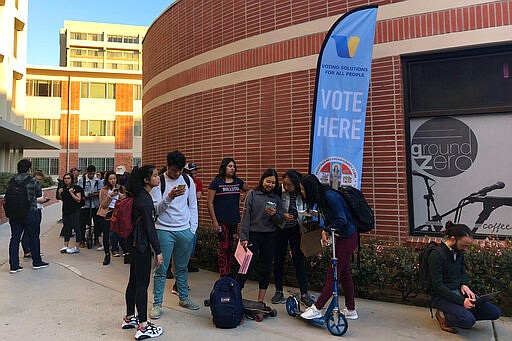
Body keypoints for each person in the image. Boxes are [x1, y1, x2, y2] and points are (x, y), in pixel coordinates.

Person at [299, 174, 359, 320]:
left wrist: (326, 230)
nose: (302, 192)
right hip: (345, 236)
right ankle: (351, 309)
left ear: (309, 188)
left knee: (333, 273)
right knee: (344, 274)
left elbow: (341, 219)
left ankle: (317, 308)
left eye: (302, 189)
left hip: (348, 237)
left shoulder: (330, 196)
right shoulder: (322, 197)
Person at [150, 151, 199, 319]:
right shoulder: (159, 182)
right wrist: (169, 198)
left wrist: (192, 230)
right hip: (163, 230)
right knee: (160, 269)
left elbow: (193, 206)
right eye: (174, 170)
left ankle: (183, 298)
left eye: (179, 170)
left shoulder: (188, 180)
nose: (177, 173)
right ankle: (157, 304)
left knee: (182, 267)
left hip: (184, 230)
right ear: (168, 166)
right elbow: (155, 209)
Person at [429, 221, 501, 333]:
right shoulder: (436, 255)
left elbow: (462, 272)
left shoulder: (458, 251)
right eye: (464, 245)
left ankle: (460, 313)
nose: (466, 249)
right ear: (453, 239)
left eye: (467, 246)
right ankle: (443, 315)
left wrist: (464, 284)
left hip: (458, 292)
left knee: (495, 313)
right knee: (468, 321)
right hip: (440, 297)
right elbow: (438, 286)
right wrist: (462, 301)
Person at [122, 165, 164, 340]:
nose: (158, 178)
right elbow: (149, 228)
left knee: (133, 281)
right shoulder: (145, 200)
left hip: (132, 244)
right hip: (141, 246)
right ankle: (144, 326)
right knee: (142, 284)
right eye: (155, 176)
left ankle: (130, 318)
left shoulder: (137, 196)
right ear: (146, 180)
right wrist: (158, 251)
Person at [239, 168, 283, 303]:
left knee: (266, 267)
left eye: (273, 183)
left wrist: (274, 214)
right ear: (262, 180)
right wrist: (244, 237)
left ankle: (260, 301)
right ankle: (236, 293)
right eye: (268, 181)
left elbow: (280, 221)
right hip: (253, 235)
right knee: (245, 265)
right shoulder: (252, 194)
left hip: (270, 236)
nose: (269, 185)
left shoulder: (276, 198)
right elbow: (246, 217)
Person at [271, 170, 314, 307]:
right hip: (281, 228)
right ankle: (278, 290)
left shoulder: (303, 191)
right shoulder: (279, 191)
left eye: (289, 185)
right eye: (284, 184)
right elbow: (271, 206)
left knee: (299, 259)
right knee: (278, 258)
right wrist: (282, 214)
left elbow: (311, 205)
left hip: (297, 228)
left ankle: (304, 293)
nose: (286, 187)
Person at [207, 157, 248, 277]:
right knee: (223, 248)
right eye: (230, 166)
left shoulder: (238, 182)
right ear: (223, 167)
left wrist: (242, 196)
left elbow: (249, 191)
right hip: (221, 222)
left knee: (231, 247)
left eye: (234, 166)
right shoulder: (216, 182)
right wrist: (214, 221)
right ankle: (223, 274)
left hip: (234, 221)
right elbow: (210, 202)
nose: (232, 168)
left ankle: (229, 271)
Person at [7, 159, 49, 273]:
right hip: (30, 213)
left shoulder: (11, 180)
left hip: (15, 214)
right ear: (29, 169)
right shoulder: (33, 181)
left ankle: (14, 265)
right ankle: (37, 262)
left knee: (15, 239)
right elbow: (39, 193)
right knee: (34, 237)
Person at [97, 171, 125, 265]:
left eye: (114, 178)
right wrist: (110, 196)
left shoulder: (120, 188)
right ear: (107, 180)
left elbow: (126, 200)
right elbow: (103, 205)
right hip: (107, 213)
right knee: (106, 234)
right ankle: (107, 254)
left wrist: (121, 196)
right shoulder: (104, 190)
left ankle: (123, 250)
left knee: (120, 232)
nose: (113, 181)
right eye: (110, 179)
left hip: (118, 212)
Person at [183, 162, 203, 273]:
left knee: (192, 240)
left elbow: (198, 196)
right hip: (182, 214)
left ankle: (188, 262)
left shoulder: (197, 182)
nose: (194, 173)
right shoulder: (183, 181)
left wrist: (192, 190)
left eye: (195, 171)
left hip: (192, 213)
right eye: (192, 171)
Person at [58, 172, 84, 254]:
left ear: (72, 179)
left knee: (76, 228)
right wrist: (60, 193)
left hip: (75, 210)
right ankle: (65, 245)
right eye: (65, 178)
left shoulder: (77, 188)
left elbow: (78, 199)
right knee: (67, 228)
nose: (66, 180)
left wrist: (71, 193)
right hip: (66, 210)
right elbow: (62, 199)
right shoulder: (63, 189)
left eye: (68, 178)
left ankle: (77, 247)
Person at [78, 165, 103, 247]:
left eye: (93, 174)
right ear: (87, 173)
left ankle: (96, 239)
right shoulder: (82, 180)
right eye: (90, 174)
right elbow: (80, 191)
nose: (91, 175)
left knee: (97, 223)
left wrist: (96, 194)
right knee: (82, 223)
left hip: (95, 205)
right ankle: (82, 240)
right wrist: (87, 194)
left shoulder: (98, 181)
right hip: (85, 205)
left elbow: (101, 191)